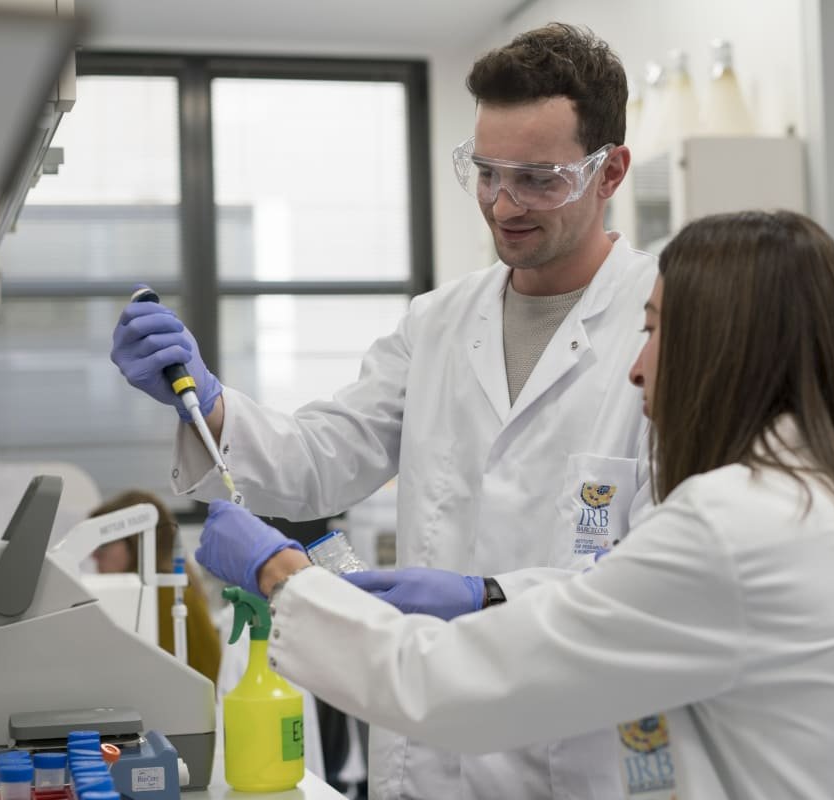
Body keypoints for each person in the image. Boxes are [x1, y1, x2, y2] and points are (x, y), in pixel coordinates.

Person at [193, 210, 834, 800]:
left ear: (724, 349)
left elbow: (449, 686)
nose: (638, 369)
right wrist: (489, 592)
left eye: (654, 333)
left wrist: (283, 574)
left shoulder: (733, 525)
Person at [111, 23, 675, 798]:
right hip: (429, 762)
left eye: (539, 179)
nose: (503, 203)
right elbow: (321, 460)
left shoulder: (667, 328)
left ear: (609, 172)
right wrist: (209, 407)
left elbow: (660, 583)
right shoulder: (438, 324)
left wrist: (487, 595)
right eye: (485, 173)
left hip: (572, 761)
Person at [88, 490, 222, 685]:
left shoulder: (163, 593)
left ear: (134, 543)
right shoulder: (172, 584)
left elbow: (151, 682)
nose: (94, 555)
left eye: (103, 545)